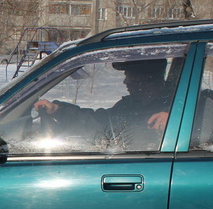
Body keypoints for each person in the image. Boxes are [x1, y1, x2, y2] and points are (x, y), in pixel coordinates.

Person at [33, 58, 173, 149]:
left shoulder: (176, 108)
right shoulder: (129, 105)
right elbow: (98, 122)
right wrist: (58, 110)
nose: (125, 82)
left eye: (130, 77)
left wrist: (173, 118)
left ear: (148, 80)